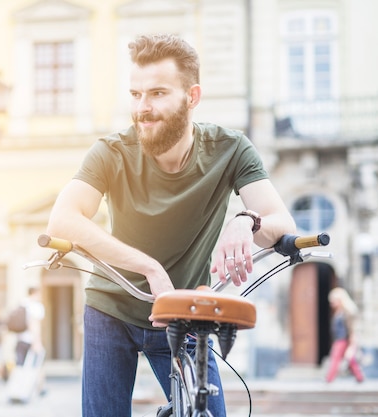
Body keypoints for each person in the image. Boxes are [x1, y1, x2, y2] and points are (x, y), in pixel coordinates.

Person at [45, 33, 296, 417]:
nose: (142, 108)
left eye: (157, 93)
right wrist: (148, 267)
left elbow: (280, 221)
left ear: (191, 97)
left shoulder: (230, 149)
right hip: (111, 309)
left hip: (185, 309)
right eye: (135, 94)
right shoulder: (112, 151)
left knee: (207, 412)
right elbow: (63, 218)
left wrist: (245, 220)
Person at [325, 287, 364, 383]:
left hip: (343, 340)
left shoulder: (347, 312)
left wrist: (352, 345)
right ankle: (360, 377)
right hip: (339, 339)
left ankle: (329, 379)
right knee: (350, 360)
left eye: (333, 301)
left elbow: (352, 329)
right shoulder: (339, 312)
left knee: (335, 358)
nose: (332, 304)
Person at [14, 287, 45, 366]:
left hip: (20, 338)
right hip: (30, 340)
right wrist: (37, 341)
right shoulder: (36, 306)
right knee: (34, 366)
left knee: (20, 365)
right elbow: (34, 324)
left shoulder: (22, 303)